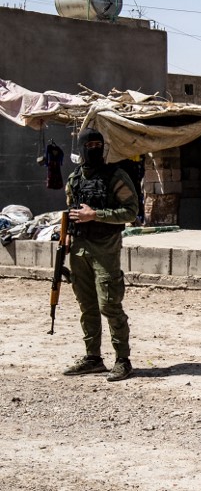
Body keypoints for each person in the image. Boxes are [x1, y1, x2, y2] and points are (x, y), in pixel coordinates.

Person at [62, 128, 140, 382]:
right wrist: (65, 234)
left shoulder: (116, 176)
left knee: (109, 304)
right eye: (90, 144)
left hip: (105, 247)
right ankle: (93, 358)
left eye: (99, 144)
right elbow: (71, 210)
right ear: (82, 148)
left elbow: (130, 212)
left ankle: (122, 360)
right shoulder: (74, 179)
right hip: (79, 247)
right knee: (87, 306)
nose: (94, 149)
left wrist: (96, 215)